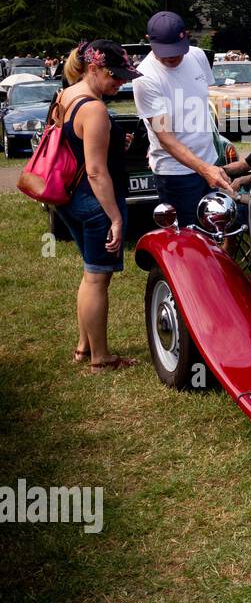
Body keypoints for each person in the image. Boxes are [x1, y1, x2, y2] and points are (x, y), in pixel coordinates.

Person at [51, 41, 142, 372]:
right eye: (114, 76)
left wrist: (116, 139)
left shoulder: (65, 96)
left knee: (90, 276)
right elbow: (95, 170)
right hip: (95, 201)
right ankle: (101, 358)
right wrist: (115, 218)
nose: (120, 82)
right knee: (97, 279)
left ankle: (83, 347)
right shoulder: (94, 109)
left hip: (69, 198)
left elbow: (73, 144)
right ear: (93, 68)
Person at [132, 12, 232, 227]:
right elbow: (166, 138)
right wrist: (204, 169)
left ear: (185, 37)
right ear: (149, 40)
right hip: (176, 173)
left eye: (176, 51)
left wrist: (210, 164)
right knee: (188, 239)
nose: (171, 58)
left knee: (217, 228)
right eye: (164, 53)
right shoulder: (145, 78)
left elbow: (201, 102)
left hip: (210, 161)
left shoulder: (197, 56)